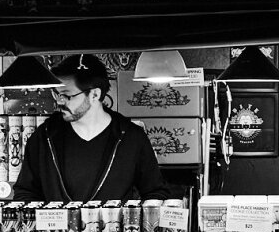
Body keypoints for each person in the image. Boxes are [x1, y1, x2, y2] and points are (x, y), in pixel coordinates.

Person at [11, 53, 177, 202]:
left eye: (67, 96)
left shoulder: (131, 137)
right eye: (56, 93)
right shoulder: (44, 136)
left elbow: (155, 193)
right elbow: (25, 193)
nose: (59, 101)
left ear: (95, 95)